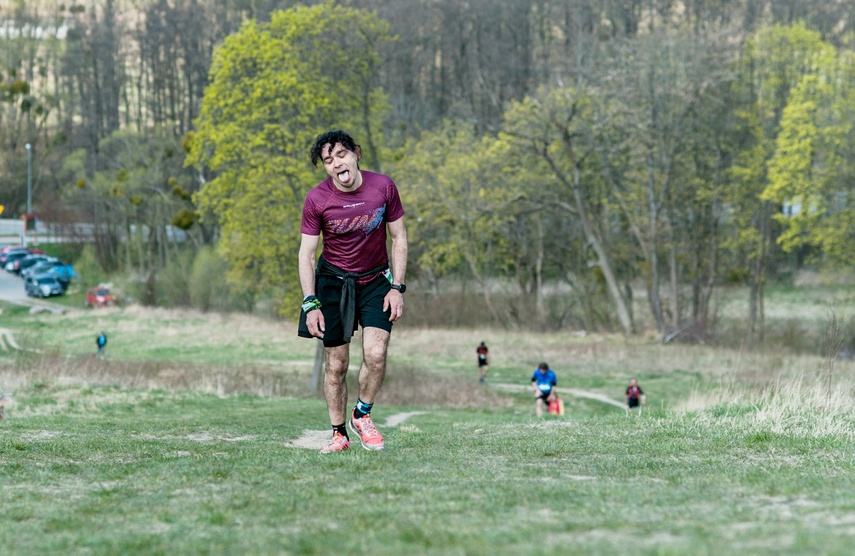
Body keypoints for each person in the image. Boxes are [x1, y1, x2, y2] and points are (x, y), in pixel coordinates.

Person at [298, 130, 408, 454]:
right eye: (328, 160)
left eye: (341, 155)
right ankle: (338, 434)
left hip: (376, 280)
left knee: (375, 355)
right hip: (333, 281)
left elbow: (399, 238)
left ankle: (362, 414)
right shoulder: (317, 199)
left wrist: (397, 288)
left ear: (356, 153)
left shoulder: (383, 187)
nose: (336, 163)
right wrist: (310, 302)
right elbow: (306, 254)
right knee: (336, 364)